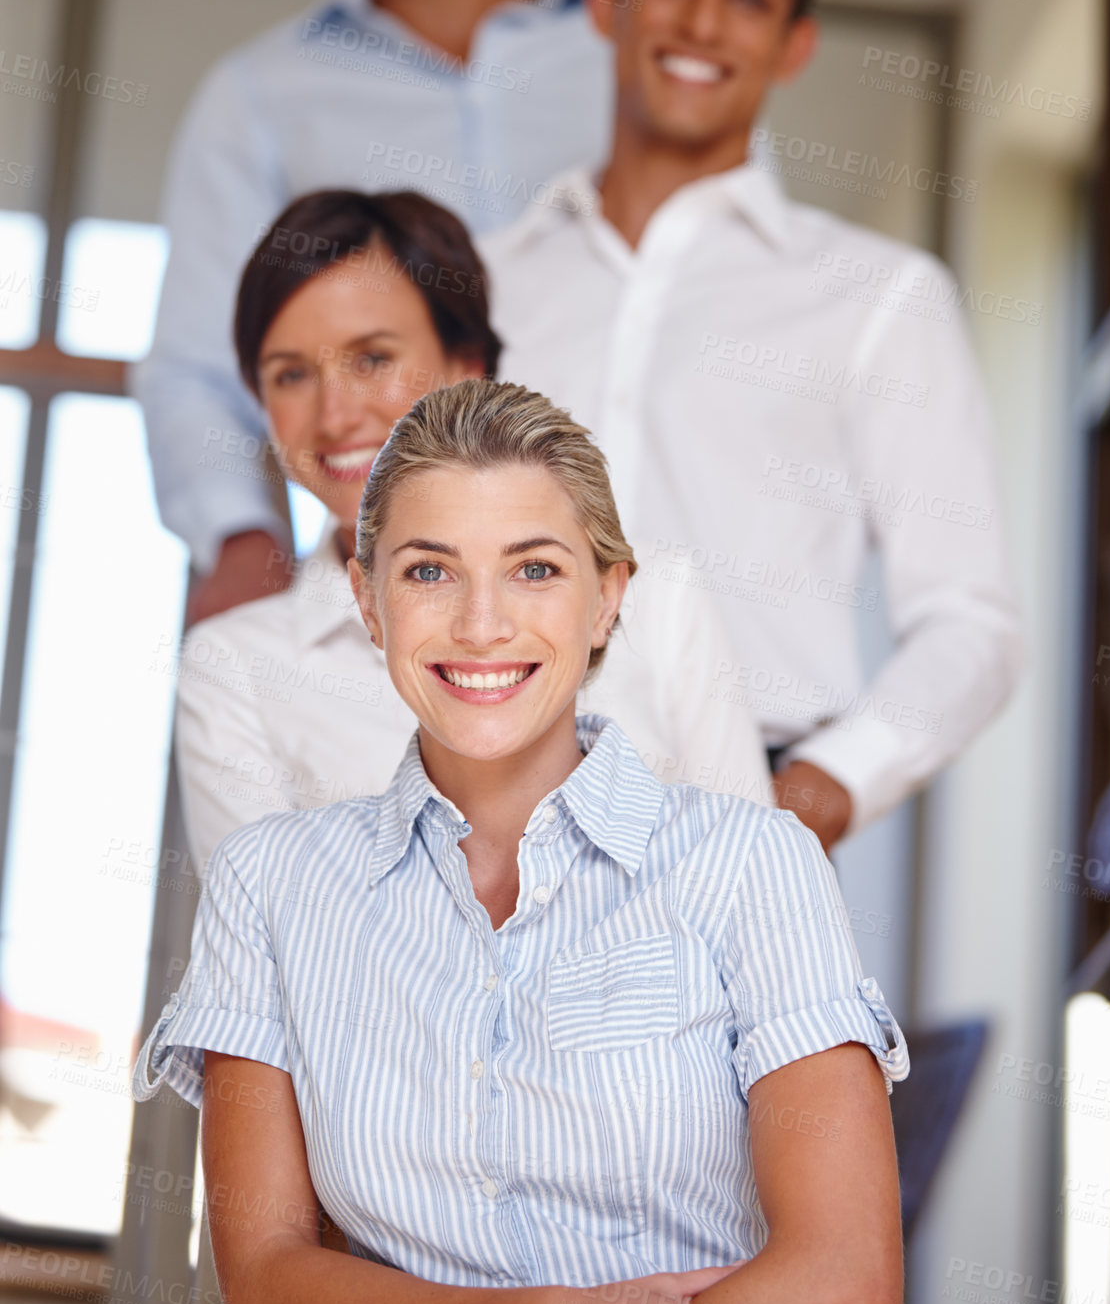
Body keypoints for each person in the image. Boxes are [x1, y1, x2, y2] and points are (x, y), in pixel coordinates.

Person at [134, 379, 908, 1304]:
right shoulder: (269, 886)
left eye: (535, 569)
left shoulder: (755, 867)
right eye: (429, 572)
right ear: (369, 603)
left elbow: (843, 1291)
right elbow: (268, 1288)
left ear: (606, 600)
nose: (481, 624)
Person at [483, 0, 1024, 854]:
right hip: (482, 815)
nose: (700, 22)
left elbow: (972, 625)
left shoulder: (879, 298)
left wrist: (813, 795)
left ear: (793, 43)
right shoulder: (482, 281)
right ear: (607, 3)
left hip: (735, 812)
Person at [133, 0, 612, 624]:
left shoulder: (625, 52)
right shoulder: (257, 95)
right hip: (382, 597)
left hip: (609, 574)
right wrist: (241, 545)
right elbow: (195, 359)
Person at [175, 189, 769, 874]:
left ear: (467, 364)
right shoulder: (235, 666)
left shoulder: (657, 598)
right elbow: (266, 941)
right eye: (291, 375)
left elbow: (747, 887)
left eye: (372, 359)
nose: (334, 414)